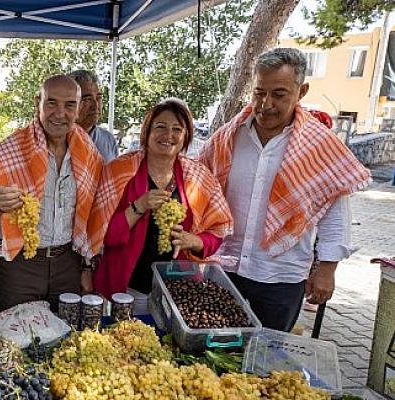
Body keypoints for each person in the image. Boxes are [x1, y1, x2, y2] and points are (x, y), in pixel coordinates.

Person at [198, 48, 371, 332]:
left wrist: (326, 270)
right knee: (216, 354)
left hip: (281, 276)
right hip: (226, 268)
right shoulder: (228, 136)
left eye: (278, 94)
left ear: (301, 91)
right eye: (259, 93)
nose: (265, 104)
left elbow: (334, 210)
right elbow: (198, 184)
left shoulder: (319, 144)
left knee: (268, 363)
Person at [0, 75, 104, 312]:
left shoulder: (88, 153)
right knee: (17, 341)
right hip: (21, 266)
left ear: (79, 108)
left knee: (66, 339)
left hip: (68, 264)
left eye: (69, 105)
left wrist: (86, 267)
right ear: (37, 103)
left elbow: (92, 214)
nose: (60, 113)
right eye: (51, 103)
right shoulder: (9, 151)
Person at [91, 98, 233, 298]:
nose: (168, 135)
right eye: (160, 127)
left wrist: (193, 240)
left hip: (177, 289)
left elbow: (217, 232)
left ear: (186, 137)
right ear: (147, 132)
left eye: (177, 129)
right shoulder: (119, 171)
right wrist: (139, 206)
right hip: (127, 289)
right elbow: (105, 235)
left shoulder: (199, 177)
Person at [67, 70, 118, 162]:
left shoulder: (108, 139)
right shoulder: (56, 139)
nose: (95, 105)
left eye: (98, 98)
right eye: (87, 99)